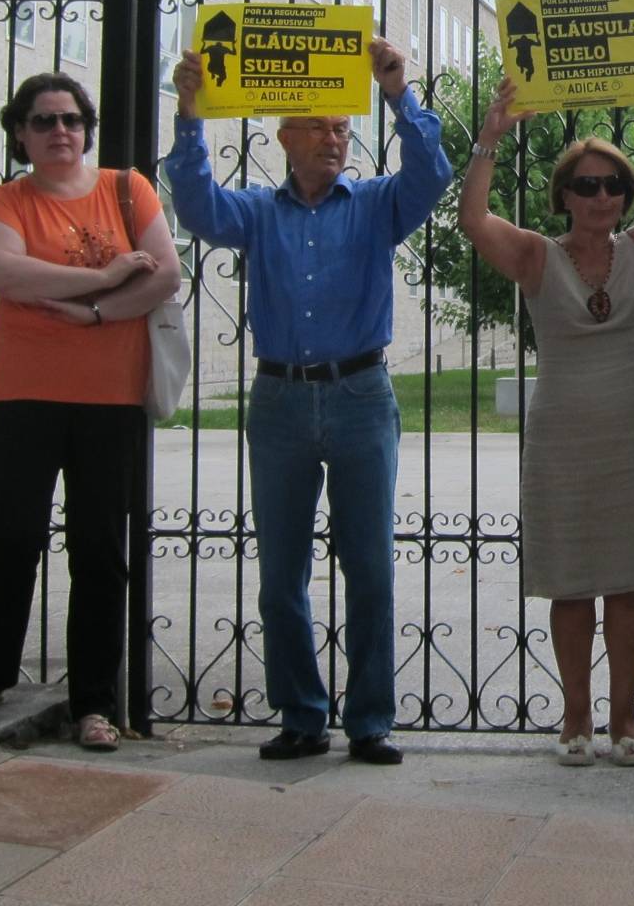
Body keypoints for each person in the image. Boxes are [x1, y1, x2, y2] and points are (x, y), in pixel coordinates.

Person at [166, 38, 451, 766]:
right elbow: (196, 206)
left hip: (361, 396)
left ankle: (370, 720)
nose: (334, 139)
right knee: (281, 571)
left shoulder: (380, 204)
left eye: (342, 130)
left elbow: (432, 173)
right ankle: (300, 713)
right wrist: (190, 113)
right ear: (285, 138)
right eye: (320, 127)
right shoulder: (259, 213)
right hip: (280, 402)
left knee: (370, 566)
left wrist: (397, 94)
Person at [459, 76, 634, 765]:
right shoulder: (536, 255)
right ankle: (575, 718)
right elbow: (473, 220)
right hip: (563, 438)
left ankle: (626, 719)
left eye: (613, 185)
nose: (602, 197)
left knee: (627, 580)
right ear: (563, 194)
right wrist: (490, 137)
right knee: (572, 583)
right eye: (587, 185)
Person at [0, 75, 180, 750]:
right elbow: (6, 272)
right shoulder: (5, 200)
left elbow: (163, 273)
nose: (59, 131)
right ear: (20, 131)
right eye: (43, 121)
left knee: (100, 551)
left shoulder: (126, 190)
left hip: (110, 395)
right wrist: (104, 277)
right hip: (25, 391)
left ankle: (94, 703)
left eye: (71, 119)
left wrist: (96, 312)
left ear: (86, 127)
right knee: (14, 538)